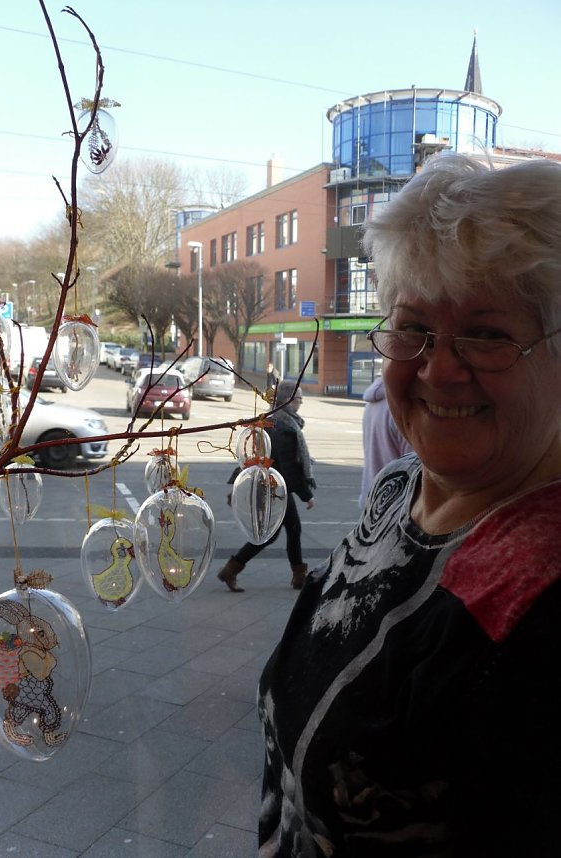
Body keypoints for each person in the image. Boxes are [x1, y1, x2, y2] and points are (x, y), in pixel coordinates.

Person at [258, 153, 561, 857]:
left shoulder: (541, 599)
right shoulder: (398, 488)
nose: (437, 367)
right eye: (412, 326)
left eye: (486, 333)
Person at [217, 380, 315, 592]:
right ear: (287, 401)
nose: (300, 403)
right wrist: (306, 495)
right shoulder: (285, 428)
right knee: (269, 534)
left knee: (293, 529)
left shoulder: (272, 421)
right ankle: (230, 570)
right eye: (298, 399)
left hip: (271, 486)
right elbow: (288, 467)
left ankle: (299, 576)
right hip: (275, 488)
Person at [358, 374, 414, 506]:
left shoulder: (372, 404)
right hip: (398, 507)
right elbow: (415, 468)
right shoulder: (403, 407)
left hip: (373, 500)